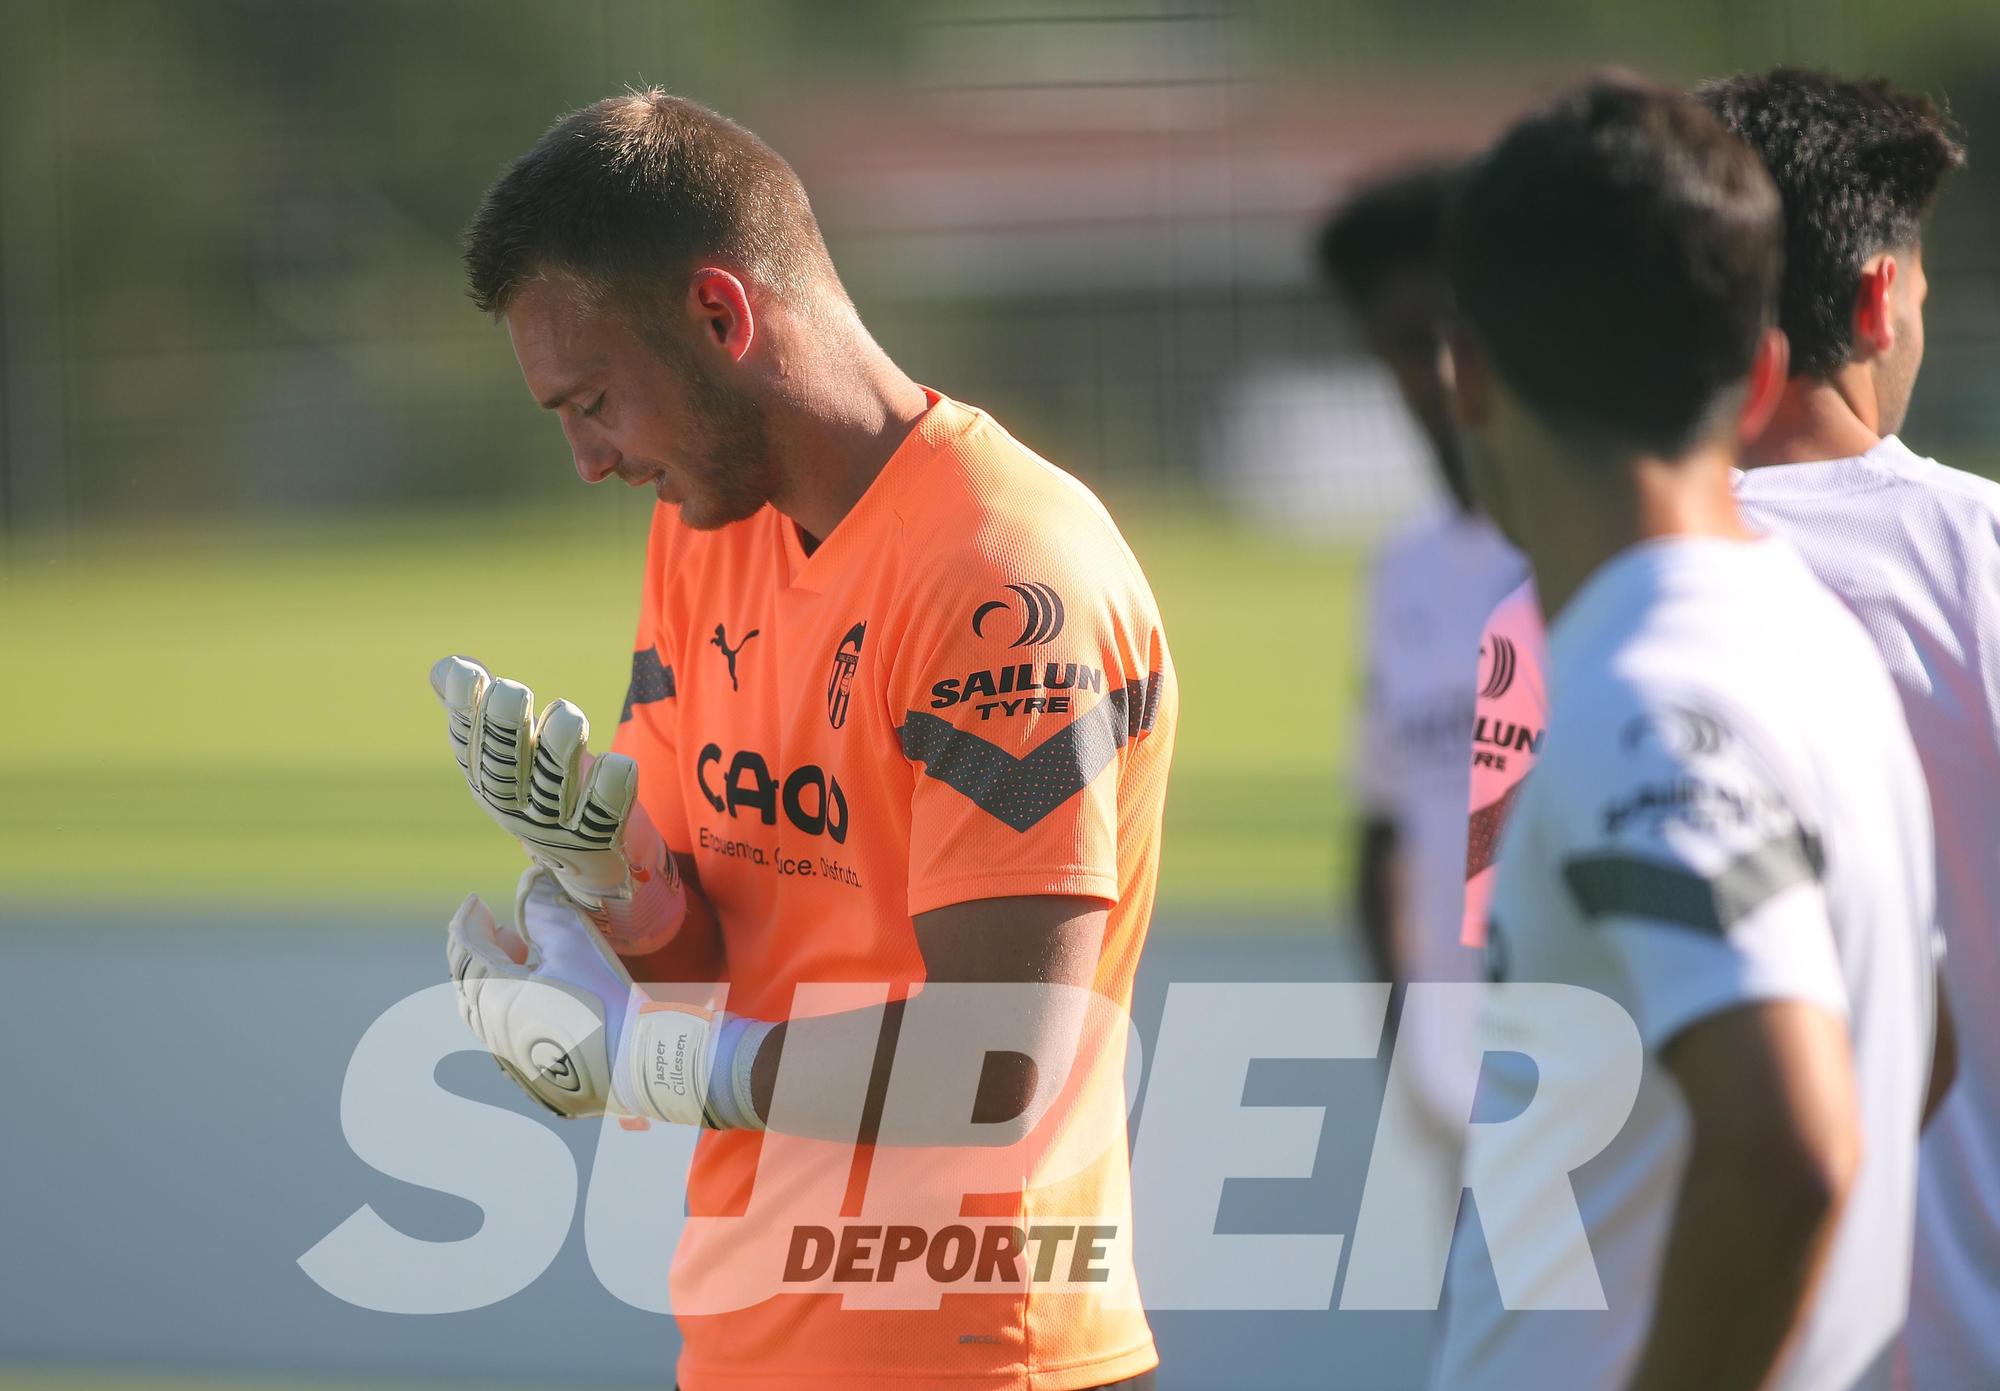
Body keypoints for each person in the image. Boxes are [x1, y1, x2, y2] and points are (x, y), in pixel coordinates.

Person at [434, 89, 1174, 1391]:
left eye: (595, 397)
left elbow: (1001, 1054)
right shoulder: (702, 529)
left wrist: (654, 1062)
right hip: (744, 1335)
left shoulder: (999, 576)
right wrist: (620, 897)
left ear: (722, 315)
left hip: (977, 1353)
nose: (586, 461)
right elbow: (725, 948)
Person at [1456, 70, 1982, 1384]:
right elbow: (1918, 1041)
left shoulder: (1615, 670)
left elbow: (1770, 1131)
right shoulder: (1851, 621)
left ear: (1469, 377)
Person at [1318, 166, 1526, 995]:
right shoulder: (1404, 567)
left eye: (1461, 331)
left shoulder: (1580, 556)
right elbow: (1384, 822)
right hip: (1455, 1081)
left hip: (1591, 1069)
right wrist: (1404, 1041)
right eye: (1411, 340)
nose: (1443, 370)